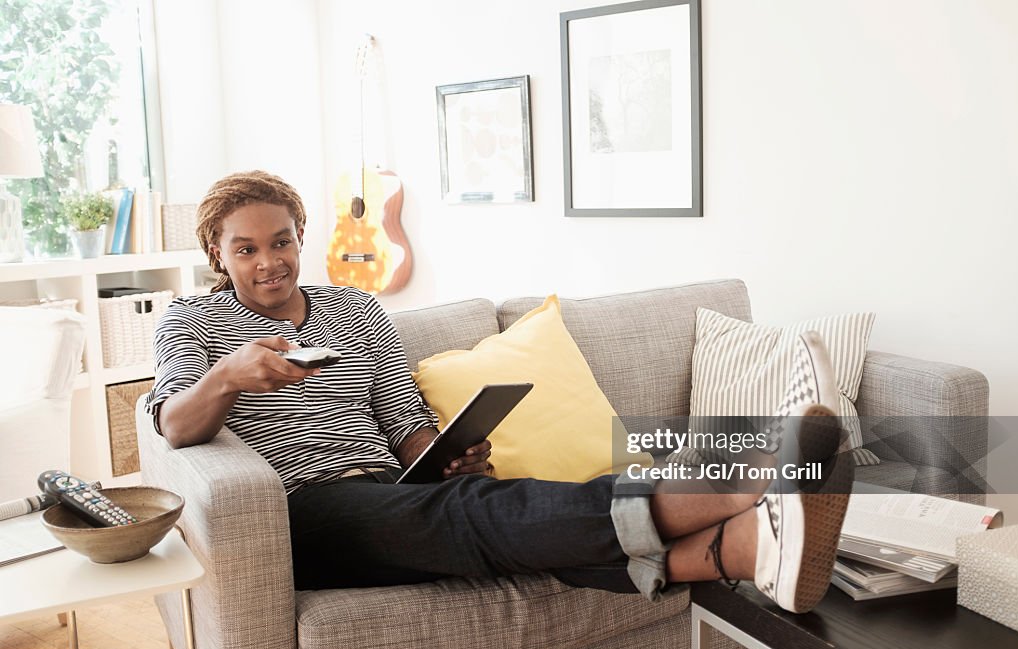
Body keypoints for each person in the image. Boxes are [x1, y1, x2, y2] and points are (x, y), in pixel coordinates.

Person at [145, 170, 854, 614]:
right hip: (304, 510)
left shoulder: (356, 312)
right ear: (218, 253)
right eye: (246, 249)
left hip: (396, 489)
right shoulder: (193, 321)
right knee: (476, 513)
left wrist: (439, 452)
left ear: (301, 236)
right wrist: (229, 375)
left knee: (495, 518)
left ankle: (754, 551)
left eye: (281, 241)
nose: (268, 261)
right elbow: (174, 425)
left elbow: (400, 416)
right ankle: (742, 479)